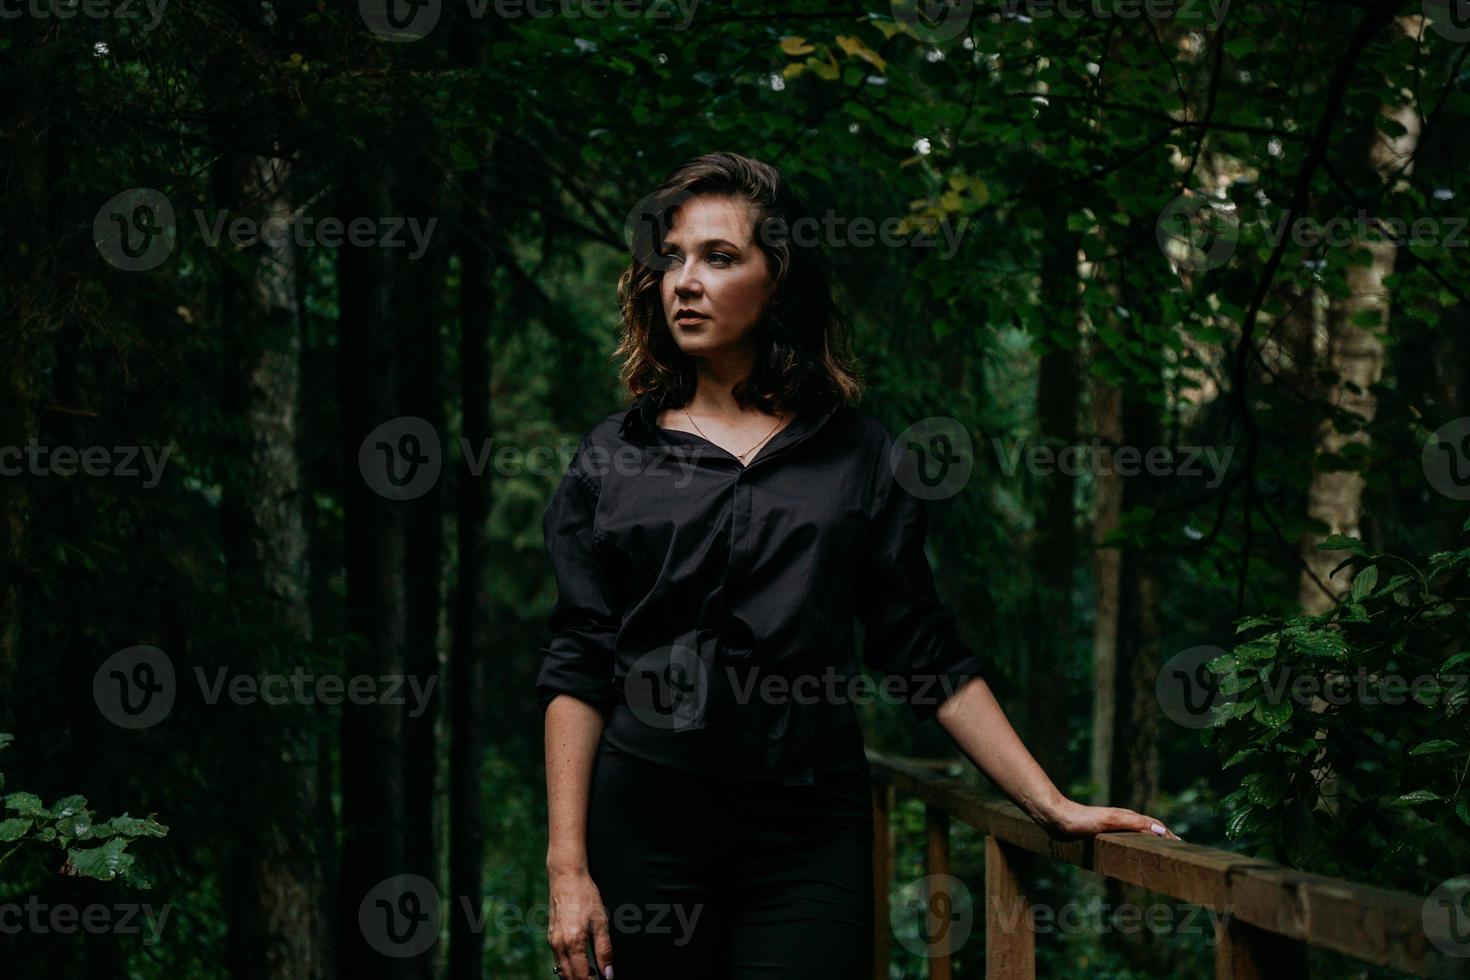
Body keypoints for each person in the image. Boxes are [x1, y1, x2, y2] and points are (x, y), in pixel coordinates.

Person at [537, 151, 1179, 980]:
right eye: (672, 258)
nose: (683, 282)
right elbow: (579, 661)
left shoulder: (860, 457)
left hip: (806, 835)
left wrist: (1047, 800)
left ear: (781, 280)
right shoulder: (609, 458)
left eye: (719, 258)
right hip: (647, 826)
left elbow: (920, 648)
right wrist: (566, 868)